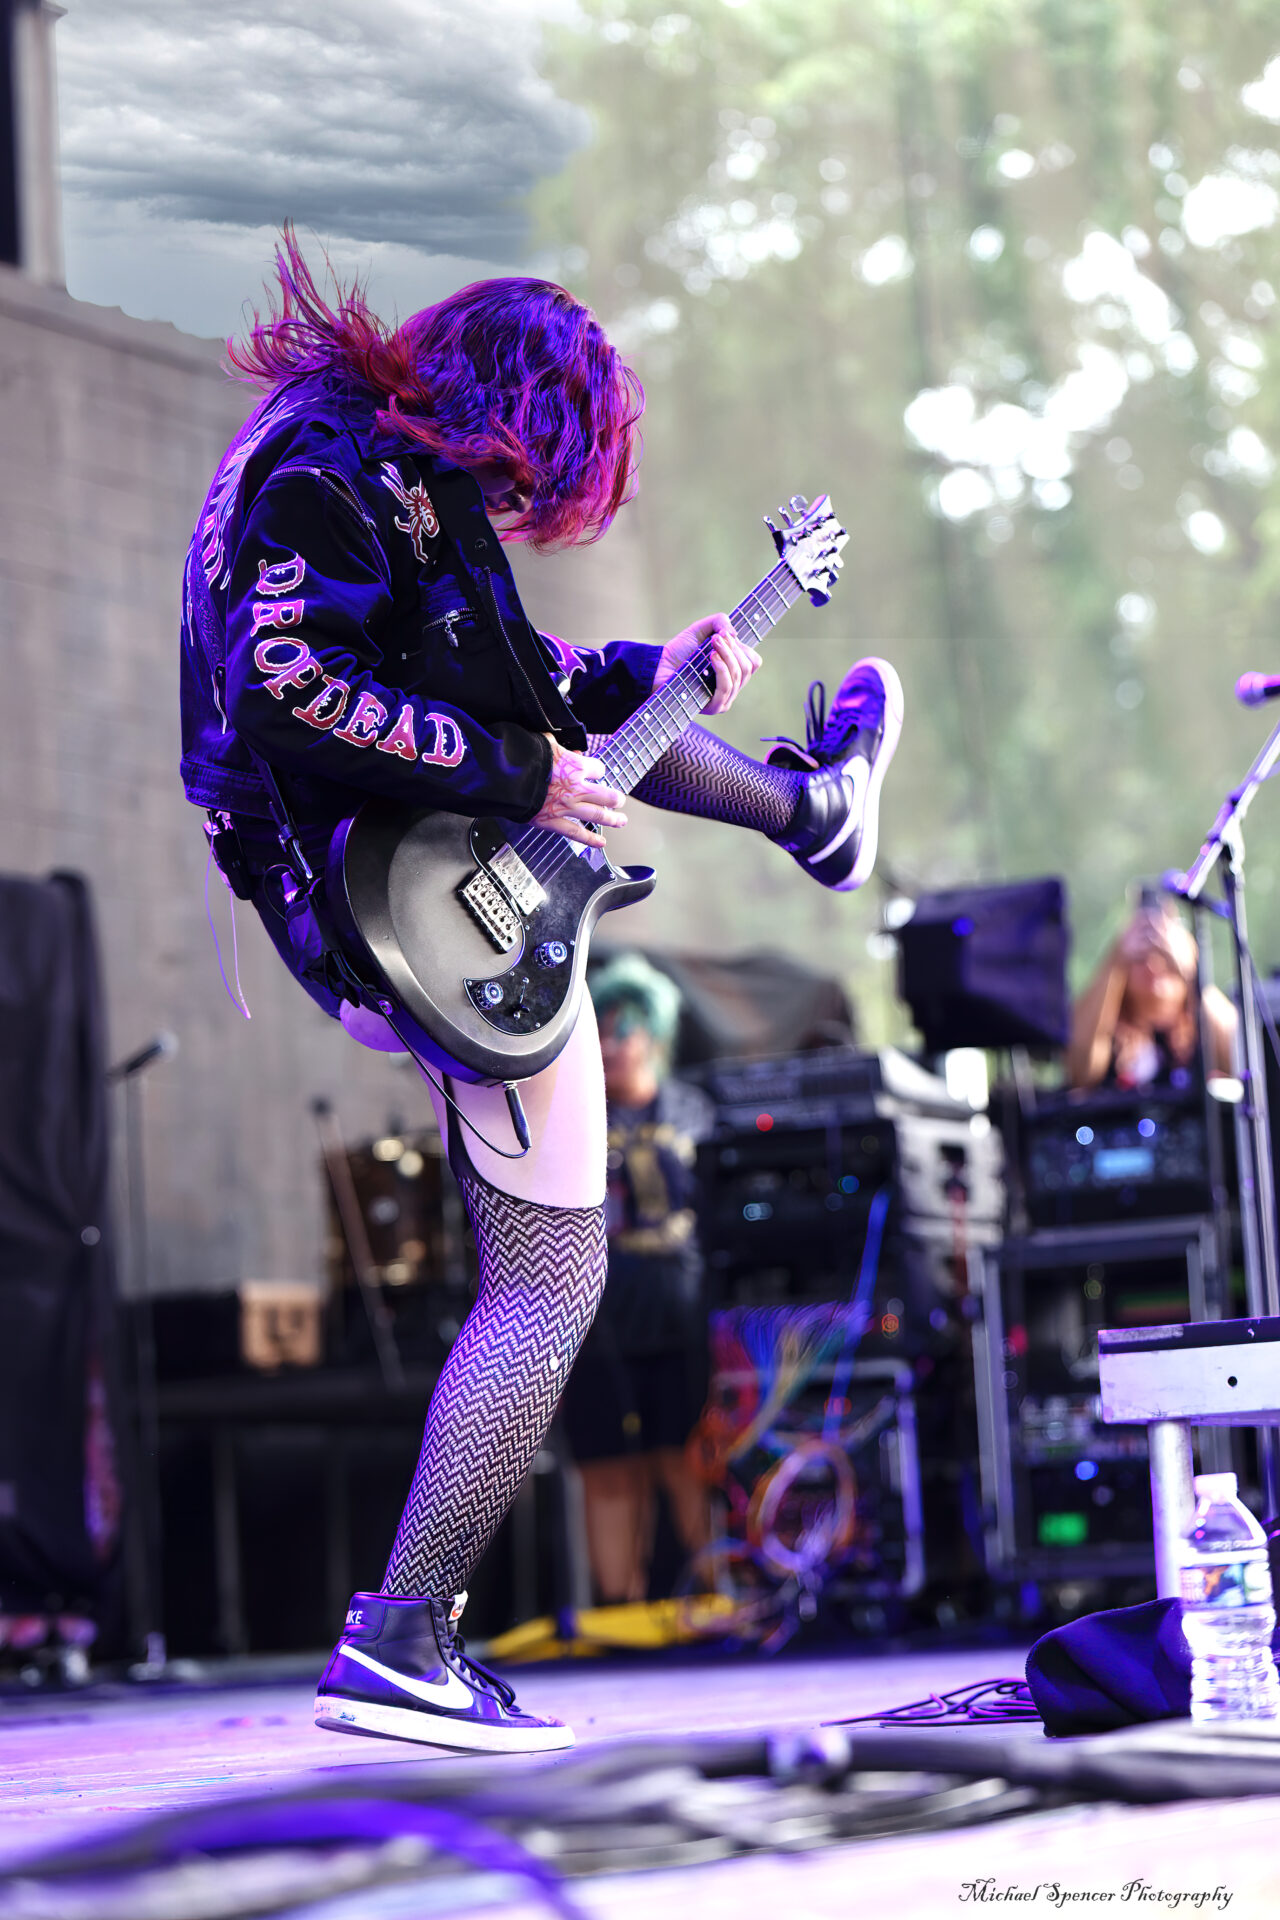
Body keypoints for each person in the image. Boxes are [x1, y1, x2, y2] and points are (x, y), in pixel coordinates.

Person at [180, 231, 904, 1753]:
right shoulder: (331, 469)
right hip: (396, 902)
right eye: (530, 474)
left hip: (395, 887)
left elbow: (512, 671)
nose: (520, 506)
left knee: (543, 1277)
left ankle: (812, 815)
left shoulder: (371, 459)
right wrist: (518, 777)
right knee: (551, 1282)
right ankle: (401, 1640)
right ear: (511, 409)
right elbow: (286, 686)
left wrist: (657, 663)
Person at [558, 954, 714, 1604]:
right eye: (599, 1031)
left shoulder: (695, 1111)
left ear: (652, 1036)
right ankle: (619, 1614)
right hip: (598, 1320)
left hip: (681, 1313)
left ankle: (718, 1598)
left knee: (687, 1460)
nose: (607, 1046)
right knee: (607, 1468)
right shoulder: (573, 1113)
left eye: (621, 1031)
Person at [1066, 896, 1236, 1092]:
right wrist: (1114, 962)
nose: (1153, 966)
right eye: (1142, 956)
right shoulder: (1106, 1028)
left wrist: (1191, 973)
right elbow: (1080, 1072)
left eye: (1164, 956)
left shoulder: (1204, 1025)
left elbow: (1242, 1058)